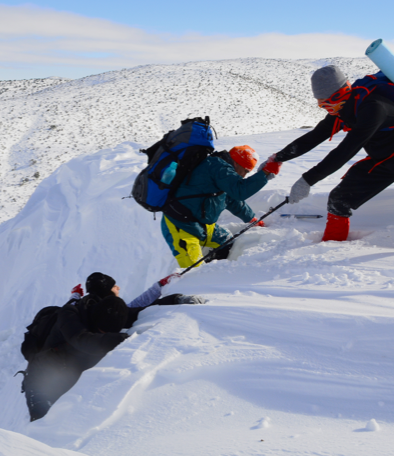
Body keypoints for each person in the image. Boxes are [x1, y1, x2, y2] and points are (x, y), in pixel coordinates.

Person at [262, 65, 394, 256]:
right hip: (383, 160)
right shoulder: (342, 111)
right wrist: (278, 158)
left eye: (326, 104)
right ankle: (329, 249)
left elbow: (346, 150)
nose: (326, 110)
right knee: (339, 199)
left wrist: (308, 180)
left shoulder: (373, 107)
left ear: (340, 94)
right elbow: (313, 137)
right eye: (321, 105)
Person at [23, 272, 203, 421]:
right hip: (41, 382)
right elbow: (82, 339)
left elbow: (139, 310)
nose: (102, 333)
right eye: (101, 330)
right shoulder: (70, 315)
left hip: (68, 373)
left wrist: (177, 299)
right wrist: (122, 339)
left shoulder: (107, 310)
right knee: (43, 430)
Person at [161, 145, 280, 268]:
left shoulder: (220, 171)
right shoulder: (217, 166)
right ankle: (203, 279)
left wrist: (251, 218)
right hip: (181, 225)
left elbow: (230, 199)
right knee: (192, 272)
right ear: (237, 163)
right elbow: (239, 191)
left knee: (226, 241)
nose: (244, 176)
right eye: (245, 171)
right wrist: (265, 173)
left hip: (202, 226)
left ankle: (214, 270)